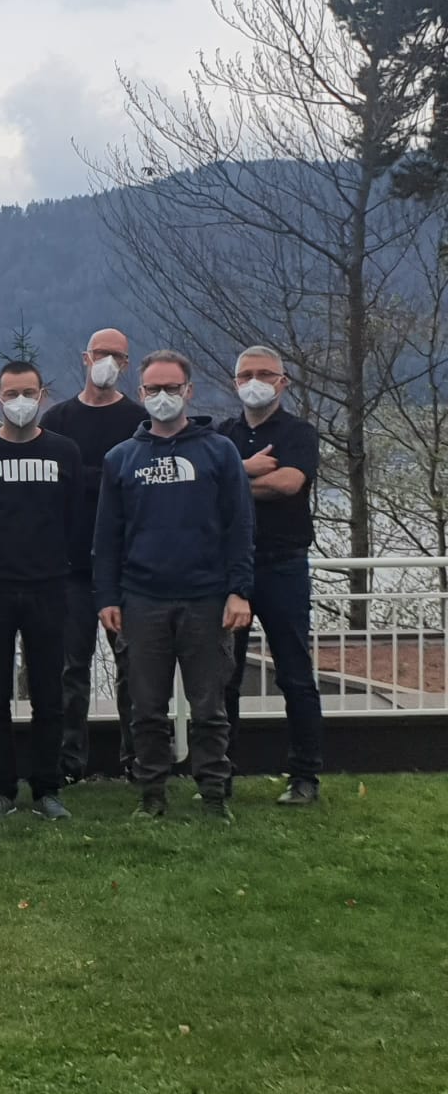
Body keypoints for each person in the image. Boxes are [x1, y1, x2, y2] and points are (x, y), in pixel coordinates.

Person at [95, 349, 255, 821]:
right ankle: (151, 795)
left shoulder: (219, 452)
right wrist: (107, 596)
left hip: (207, 598)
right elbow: (107, 537)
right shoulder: (120, 458)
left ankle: (214, 795)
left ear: (188, 390)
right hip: (142, 600)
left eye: (171, 387)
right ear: (140, 391)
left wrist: (239, 590)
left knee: (210, 707)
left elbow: (240, 527)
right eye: (153, 388)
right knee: (145, 708)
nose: (162, 396)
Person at [0, 361, 85, 820]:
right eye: (11, 394)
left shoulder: (64, 452)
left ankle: (47, 788)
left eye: (29, 392)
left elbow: (74, 518)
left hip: (48, 587)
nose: (21, 402)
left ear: (42, 395)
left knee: (49, 693)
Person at [219, 345, 325, 806]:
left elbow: (288, 483)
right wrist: (244, 470)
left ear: (283, 382)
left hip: (283, 564)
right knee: (224, 677)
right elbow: (204, 484)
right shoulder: (222, 435)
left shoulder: (299, 433)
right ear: (235, 382)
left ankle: (305, 775)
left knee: (295, 675)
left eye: (265, 374)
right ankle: (219, 773)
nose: (255, 382)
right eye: (247, 374)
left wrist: (230, 482)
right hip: (229, 570)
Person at [41, 328, 146, 784]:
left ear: (127, 364)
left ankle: (137, 761)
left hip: (127, 567)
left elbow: (138, 483)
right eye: (101, 353)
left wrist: (84, 476)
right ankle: (69, 765)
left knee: (134, 669)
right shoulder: (58, 418)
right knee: (71, 669)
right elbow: (53, 481)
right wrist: (107, 476)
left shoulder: (139, 420)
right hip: (71, 565)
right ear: (86, 358)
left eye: (117, 356)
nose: (108, 362)